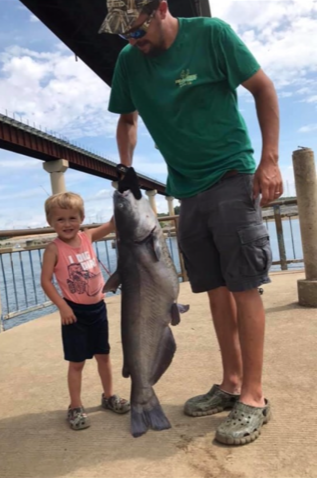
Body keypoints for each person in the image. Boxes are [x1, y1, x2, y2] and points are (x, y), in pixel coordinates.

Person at [99, 0, 283, 445]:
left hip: (232, 175)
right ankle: (231, 382)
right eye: (125, 35)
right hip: (185, 188)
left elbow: (264, 89)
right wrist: (125, 166)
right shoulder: (129, 60)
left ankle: (254, 398)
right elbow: (127, 118)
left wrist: (270, 162)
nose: (133, 42)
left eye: (137, 30)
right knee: (214, 289)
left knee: (243, 286)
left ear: (161, 8)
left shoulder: (212, 36)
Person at [41, 192, 130, 430]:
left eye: (72, 218)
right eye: (60, 219)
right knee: (77, 362)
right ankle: (75, 405)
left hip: (97, 309)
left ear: (81, 218)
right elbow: (46, 281)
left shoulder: (88, 237)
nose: (67, 224)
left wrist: (123, 199)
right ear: (51, 222)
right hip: (74, 314)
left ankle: (109, 396)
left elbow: (112, 224)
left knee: (104, 355)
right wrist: (63, 306)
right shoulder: (53, 249)